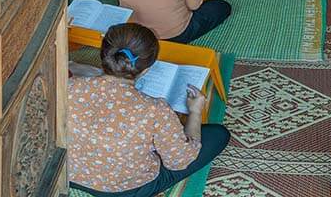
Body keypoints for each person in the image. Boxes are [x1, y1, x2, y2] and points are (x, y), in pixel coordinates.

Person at [68, 23, 231, 197]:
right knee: (219, 134)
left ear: (104, 56)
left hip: (71, 174)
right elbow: (179, 161)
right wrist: (196, 111)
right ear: (146, 70)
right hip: (126, 190)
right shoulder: (155, 110)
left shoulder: (68, 87)